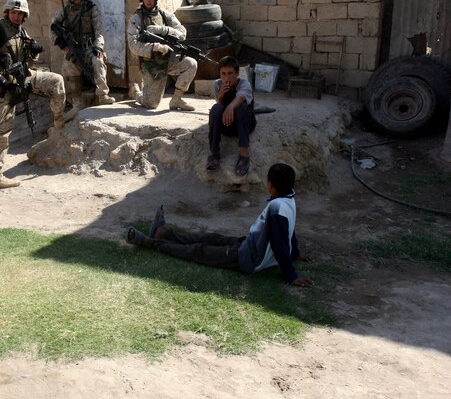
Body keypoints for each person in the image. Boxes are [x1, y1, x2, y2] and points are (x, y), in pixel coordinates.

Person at [126, 162, 314, 285]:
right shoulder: (289, 200)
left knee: (199, 251)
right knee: (211, 238)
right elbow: (290, 232)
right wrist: (296, 253)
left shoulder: (277, 207)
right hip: (247, 244)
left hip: (247, 258)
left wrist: (291, 275)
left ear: (270, 184)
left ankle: (149, 242)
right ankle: (162, 233)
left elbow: (280, 242)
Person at [0, 0, 68, 189]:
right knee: (1, 131)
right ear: (7, 12)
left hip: (22, 77)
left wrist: (34, 52)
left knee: (56, 81)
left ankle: (59, 122)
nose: (17, 16)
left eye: (20, 14)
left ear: (25, 16)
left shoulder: (20, 32)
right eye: (14, 12)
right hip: (1, 87)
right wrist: (4, 83)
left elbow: (29, 63)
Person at [126, 0, 197, 111]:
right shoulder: (136, 18)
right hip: (150, 64)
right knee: (152, 104)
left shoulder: (165, 15)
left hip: (169, 59)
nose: (148, 1)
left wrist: (163, 30)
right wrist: (155, 47)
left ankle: (176, 100)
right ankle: (136, 93)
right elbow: (133, 45)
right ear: (142, 0)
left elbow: (182, 33)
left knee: (191, 64)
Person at [51, 0, 115, 108]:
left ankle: (102, 95)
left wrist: (98, 47)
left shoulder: (91, 9)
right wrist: (62, 44)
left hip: (90, 47)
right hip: (72, 47)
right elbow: (53, 27)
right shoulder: (64, 11)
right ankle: (75, 100)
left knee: (98, 61)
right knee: (69, 66)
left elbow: (99, 31)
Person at [207, 56, 257, 177]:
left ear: (237, 73)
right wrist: (220, 95)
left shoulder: (244, 84)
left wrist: (230, 107)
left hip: (244, 124)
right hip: (227, 124)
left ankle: (244, 154)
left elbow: (240, 97)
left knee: (241, 108)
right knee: (215, 108)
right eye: (223, 74)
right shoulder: (218, 84)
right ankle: (214, 153)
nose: (227, 77)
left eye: (230, 73)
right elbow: (219, 105)